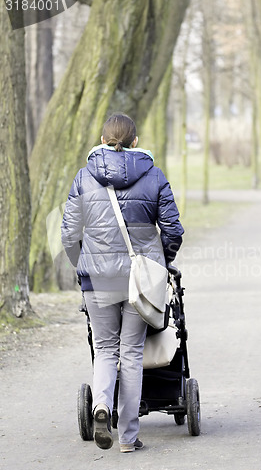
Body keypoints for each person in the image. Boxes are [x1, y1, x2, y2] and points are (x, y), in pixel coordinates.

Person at [61, 112, 184, 452]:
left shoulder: (83, 178)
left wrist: (82, 266)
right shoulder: (154, 176)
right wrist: (161, 263)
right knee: (131, 353)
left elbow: (69, 234)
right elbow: (173, 230)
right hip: (139, 279)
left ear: (102, 141)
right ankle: (128, 438)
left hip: (97, 279)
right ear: (135, 142)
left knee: (104, 349)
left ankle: (102, 405)